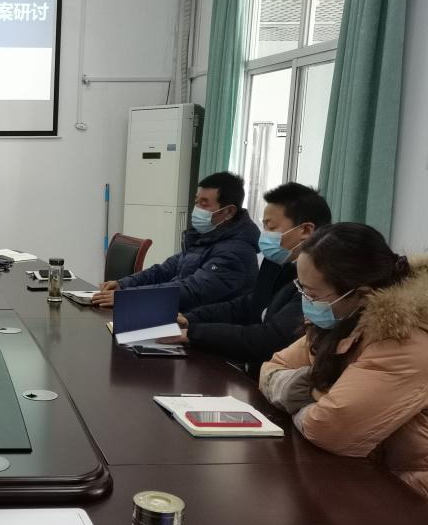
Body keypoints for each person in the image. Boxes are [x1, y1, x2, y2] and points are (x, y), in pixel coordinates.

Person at [259, 223, 428, 498]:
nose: (305, 302)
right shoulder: (340, 321)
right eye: (302, 290)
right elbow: (273, 366)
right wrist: (289, 387)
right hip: (366, 479)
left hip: (411, 496)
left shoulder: (405, 340)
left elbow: (329, 429)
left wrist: (302, 395)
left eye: (313, 295)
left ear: (362, 295)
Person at [161, 183, 332, 374]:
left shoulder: (320, 283)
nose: (264, 235)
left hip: (276, 373)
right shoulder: (276, 261)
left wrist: (194, 333)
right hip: (251, 367)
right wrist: (190, 319)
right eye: (264, 225)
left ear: (306, 230)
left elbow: (269, 339)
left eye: (271, 227)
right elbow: (248, 304)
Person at [91, 172, 260, 311]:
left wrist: (128, 297)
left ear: (228, 212)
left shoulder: (236, 253)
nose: (197, 209)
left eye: (204, 204)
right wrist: (122, 284)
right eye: (196, 202)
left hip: (207, 333)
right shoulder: (205, 238)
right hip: (181, 320)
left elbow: (191, 291)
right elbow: (163, 271)